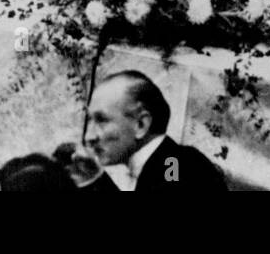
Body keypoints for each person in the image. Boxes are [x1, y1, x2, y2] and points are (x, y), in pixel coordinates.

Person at [81, 71, 227, 192]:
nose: (89, 136)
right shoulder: (167, 163)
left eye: (102, 120)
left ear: (140, 125)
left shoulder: (176, 164)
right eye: (89, 120)